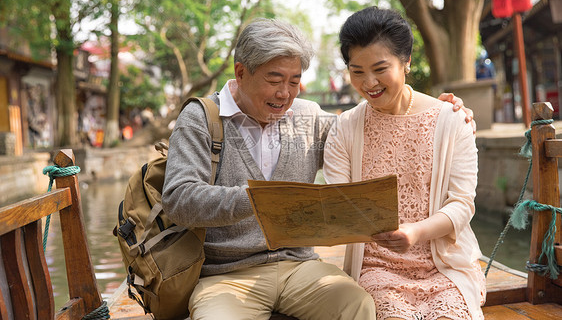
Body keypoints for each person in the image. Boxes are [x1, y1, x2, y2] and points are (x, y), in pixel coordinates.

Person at [162, 17, 474, 320]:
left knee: (357, 306)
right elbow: (177, 199)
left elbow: (367, 134)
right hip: (226, 276)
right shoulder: (201, 118)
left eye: (294, 81)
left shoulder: (310, 116)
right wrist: (258, 201)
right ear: (241, 73)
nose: (285, 93)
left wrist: (441, 111)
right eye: (274, 80)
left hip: (300, 267)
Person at [323, 7, 486, 320]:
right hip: (375, 267)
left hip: (446, 265)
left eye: (380, 69)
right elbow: (337, 203)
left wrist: (415, 232)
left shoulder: (452, 121)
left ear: (407, 61)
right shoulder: (344, 129)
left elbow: (462, 206)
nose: (369, 82)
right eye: (357, 72)